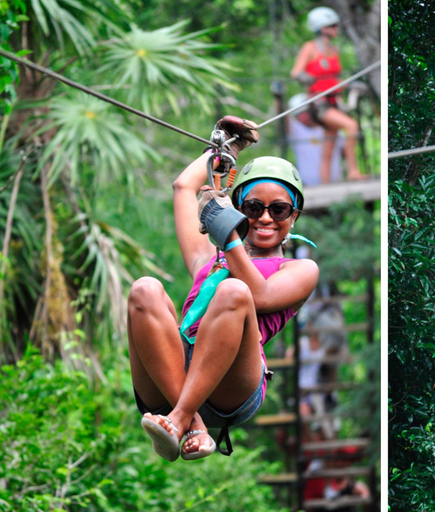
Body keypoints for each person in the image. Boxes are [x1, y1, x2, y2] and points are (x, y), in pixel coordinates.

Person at [128, 115, 319, 462]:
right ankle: (190, 421)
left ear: (294, 216)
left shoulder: (301, 269)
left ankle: (183, 416)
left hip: (230, 382)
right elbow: (183, 188)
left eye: (279, 209)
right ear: (240, 208)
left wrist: (226, 230)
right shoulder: (210, 259)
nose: (264, 218)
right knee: (144, 289)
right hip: (172, 370)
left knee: (233, 291)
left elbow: (257, 293)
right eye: (252, 208)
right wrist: (225, 149)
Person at [291, 6, 363, 183]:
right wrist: (306, 78)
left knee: (329, 146)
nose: (336, 29)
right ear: (322, 28)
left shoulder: (334, 49)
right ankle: (353, 171)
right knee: (352, 126)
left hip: (333, 102)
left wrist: (349, 85)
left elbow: (334, 79)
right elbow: (295, 72)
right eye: (333, 26)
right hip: (319, 104)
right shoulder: (310, 48)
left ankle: (325, 184)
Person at [286, 92, 345, 185]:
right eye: (298, 115)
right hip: (306, 185)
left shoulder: (331, 128)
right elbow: (283, 120)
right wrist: (278, 99)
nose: (303, 117)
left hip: (335, 183)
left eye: (304, 112)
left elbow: (346, 150)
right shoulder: (296, 131)